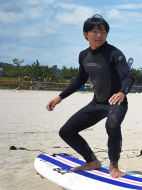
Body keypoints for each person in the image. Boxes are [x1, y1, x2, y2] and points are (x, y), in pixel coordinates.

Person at [46, 14, 134, 178]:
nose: (99, 35)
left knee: (112, 126)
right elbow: (80, 79)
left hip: (116, 103)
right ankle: (92, 161)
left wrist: (122, 92)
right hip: (96, 103)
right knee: (66, 131)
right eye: (94, 31)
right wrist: (59, 97)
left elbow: (128, 76)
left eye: (103, 32)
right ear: (85, 34)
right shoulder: (83, 55)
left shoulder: (115, 53)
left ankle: (113, 166)